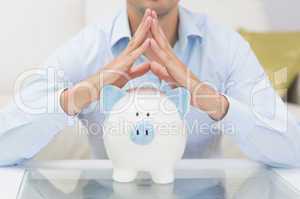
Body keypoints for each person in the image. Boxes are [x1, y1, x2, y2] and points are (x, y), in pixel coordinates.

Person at [0, 0, 299, 167]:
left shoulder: (225, 47)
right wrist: (84, 92)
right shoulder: (88, 46)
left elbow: (292, 149)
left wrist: (212, 101)